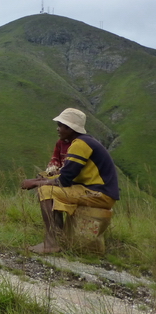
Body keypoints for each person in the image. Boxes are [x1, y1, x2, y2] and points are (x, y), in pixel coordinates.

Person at [21, 108, 119, 254]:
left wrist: (35, 183)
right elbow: (67, 174)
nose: (58, 129)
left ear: (70, 128)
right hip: (95, 190)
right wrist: (41, 179)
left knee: (46, 191)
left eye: (61, 126)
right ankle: (59, 239)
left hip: (99, 194)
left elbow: (64, 180)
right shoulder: (84, 142)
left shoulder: (80, 144)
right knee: (48, 188)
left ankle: (51, 243)